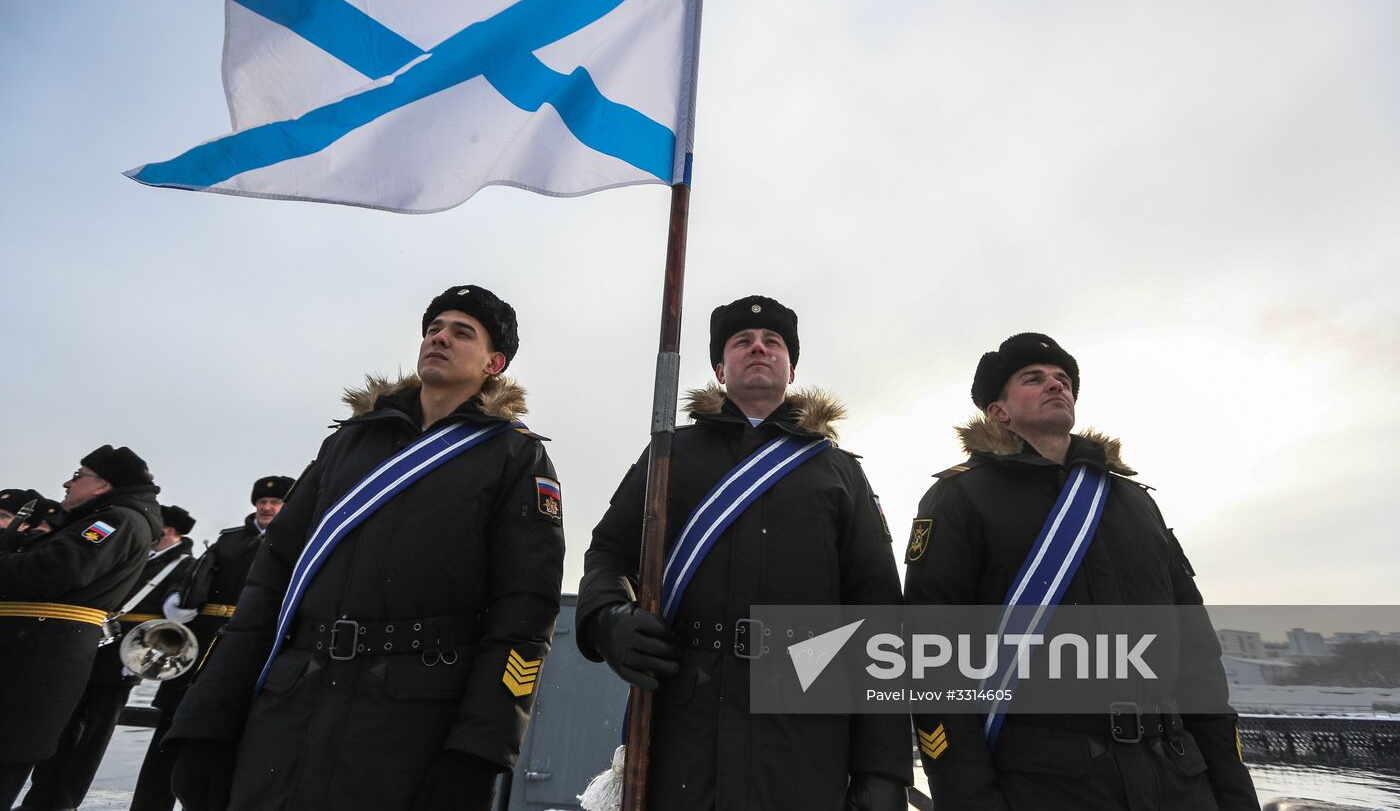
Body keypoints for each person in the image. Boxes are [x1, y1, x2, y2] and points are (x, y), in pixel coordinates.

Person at [165, 285, 565, 811]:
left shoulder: (514, 457)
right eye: (434, 329)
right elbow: (270, 583)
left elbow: (524, 614)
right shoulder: (348, 443)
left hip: (409, 719)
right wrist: (207, 720)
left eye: (461, 332)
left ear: (494, 362)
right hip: (290, 707)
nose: (440, 338)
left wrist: (480, 749)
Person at [577, 295, 912, 811]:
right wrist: (607, 618)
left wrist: (881, 769)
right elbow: (609, 552)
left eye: (772, 342)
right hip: (683, 720)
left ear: (791, 368)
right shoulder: (670, 454)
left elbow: (880, 618)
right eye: (742, 342)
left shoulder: (839, 471)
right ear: (719, 368)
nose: (759, 347)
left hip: (804, 732)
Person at [903, 333, 1260, 810]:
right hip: (1045, 783)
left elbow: (1196, 656)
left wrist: (1234, 794)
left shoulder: (1134, 501)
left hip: (1178, 777)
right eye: (1034, 378)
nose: (1056, 385)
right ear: (998, 411)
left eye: (1063, 379)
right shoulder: (960, 499)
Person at [0, 447, 162, 809]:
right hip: (30, 653)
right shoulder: (110, 517)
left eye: (78, 475)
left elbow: (55, 569)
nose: (67, 483)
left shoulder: (115, 521)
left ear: (103, 485)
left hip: (37, 659)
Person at [129, 476, 294, 811]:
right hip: (203, 644)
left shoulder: (297, 541)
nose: (267, 507)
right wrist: (184, 599)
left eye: (275, 503)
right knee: (172, 727)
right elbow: (198, 582)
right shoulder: (229, 540)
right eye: (262, 502)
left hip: (254, 646)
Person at [21, 505, 197, 810]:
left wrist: (143, 662)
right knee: (62, 727)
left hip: (128, 655)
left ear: (168, 531)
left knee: (94, 735)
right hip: (95, 645)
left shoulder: (185, 564)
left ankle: (65, 800)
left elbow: (175, 618)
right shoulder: (142, 557)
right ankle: (40, 798)